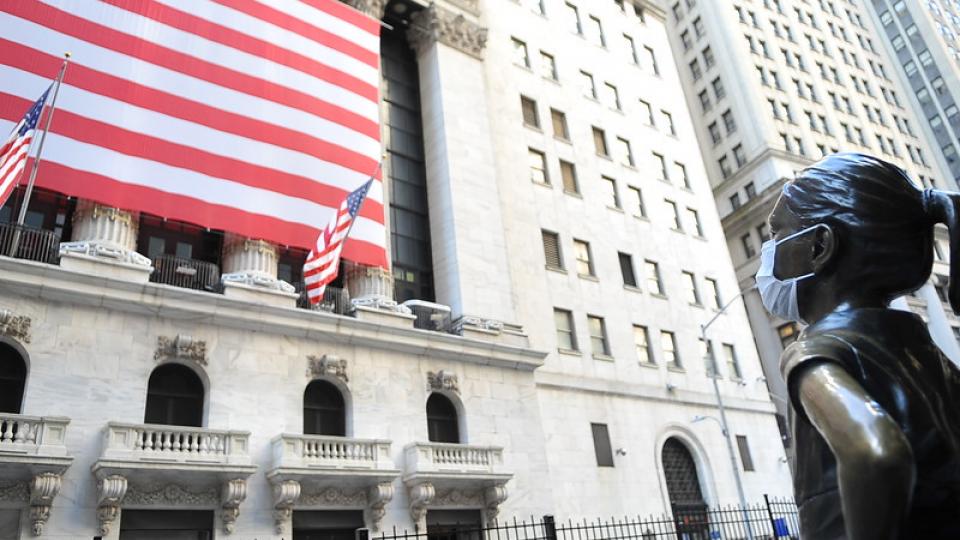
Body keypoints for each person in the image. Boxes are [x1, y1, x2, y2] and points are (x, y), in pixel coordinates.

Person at [757, 153, 960, 539]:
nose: (767, 253)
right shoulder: (932, 359)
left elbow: (876, 454)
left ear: (819, 246)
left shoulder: (815, 352)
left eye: (775, 234)